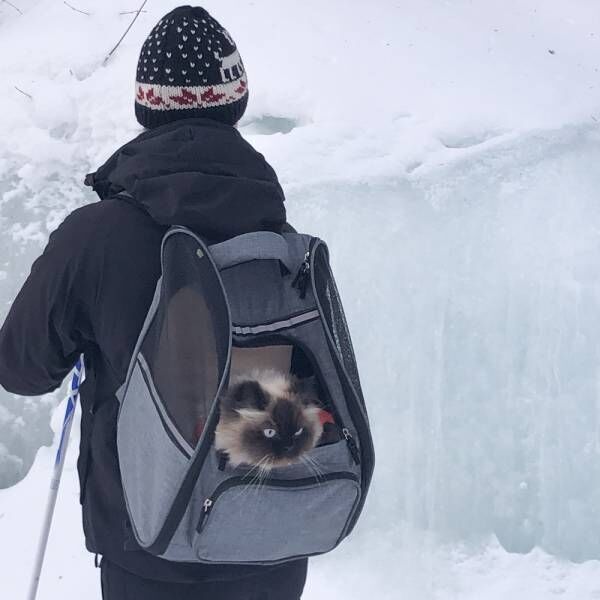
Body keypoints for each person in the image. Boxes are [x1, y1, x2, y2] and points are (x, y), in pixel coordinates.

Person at [0, 5, 307, 600]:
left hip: (151, 551)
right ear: (235, 100)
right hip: (273, 540)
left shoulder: (97, 235)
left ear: (147, 106)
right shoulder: (278, 235)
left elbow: (21, 366)